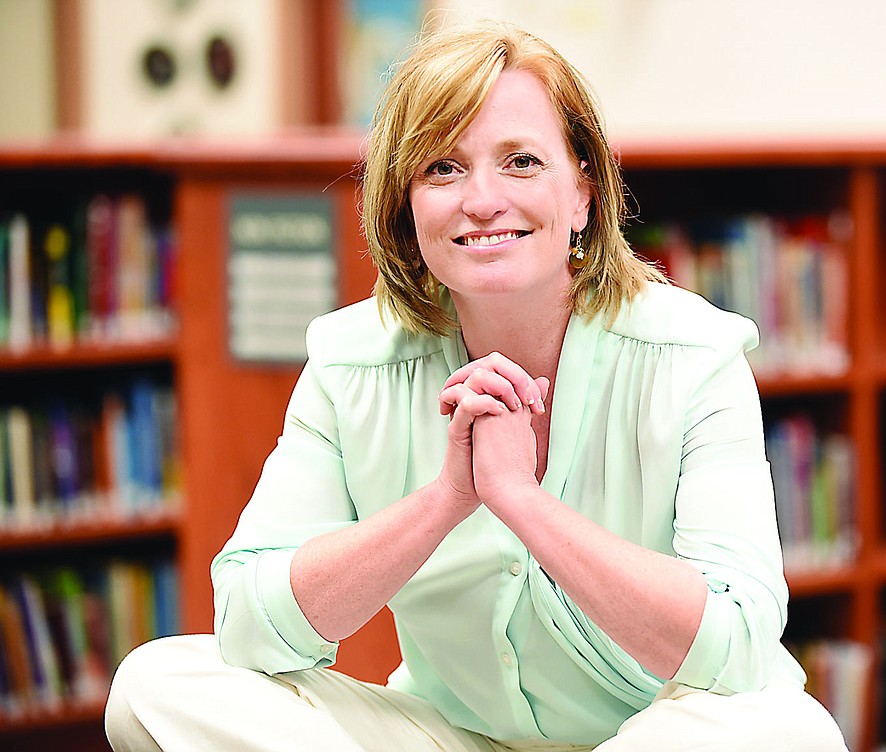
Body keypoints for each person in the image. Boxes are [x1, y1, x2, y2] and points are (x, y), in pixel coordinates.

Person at [105, 19, 847, 752]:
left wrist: (521, 502)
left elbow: (738, 642)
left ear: (584, 192)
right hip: (452, 736)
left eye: (521, 161)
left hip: (652, 734)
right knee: (155, 686)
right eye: (443, 168)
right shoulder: (348, 363)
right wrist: (445, 501)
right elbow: (246, 623)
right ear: (406, 208)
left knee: (788, 730)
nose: (483, 199)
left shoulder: (695, 356)